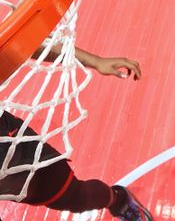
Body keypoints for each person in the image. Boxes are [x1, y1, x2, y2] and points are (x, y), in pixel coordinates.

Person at [1, 45, 152, 220]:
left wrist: (96, 61)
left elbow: (20, 44)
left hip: (8, 147)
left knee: (76, 197)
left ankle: (119, 201)